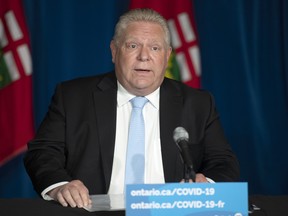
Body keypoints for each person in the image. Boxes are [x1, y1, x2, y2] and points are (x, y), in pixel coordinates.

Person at [24, 8, 240, 208]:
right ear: (114, 51)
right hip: (92, 211)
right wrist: (61, 185)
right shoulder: (73, 97)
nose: (144, 56)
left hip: (169, 211)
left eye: (155, 48)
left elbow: (223, 162)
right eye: (133, 46)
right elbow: (43, 153)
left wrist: (206, 183)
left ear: (167, 56)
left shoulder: (198, 102)